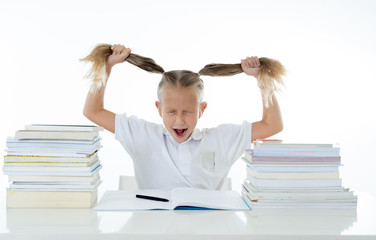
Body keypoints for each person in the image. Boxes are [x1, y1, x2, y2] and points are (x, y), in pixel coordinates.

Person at [82, 44, 284, 190]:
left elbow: (272, 124)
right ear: (159, 109)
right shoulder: (141, 134)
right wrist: (106, 67)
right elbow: (93, 111)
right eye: (171, 112)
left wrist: (261, 78)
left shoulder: (223, 139)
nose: (179, 120)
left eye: (187, 112)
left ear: (201, 109)